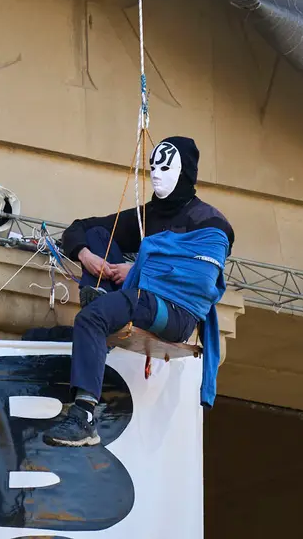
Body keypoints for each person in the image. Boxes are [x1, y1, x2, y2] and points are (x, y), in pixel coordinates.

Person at [39, 136, 235, 447]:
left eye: (165, 167)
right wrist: (87, 256)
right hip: (139, 298)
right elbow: (78, 228)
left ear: (184, 173)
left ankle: (84, 417)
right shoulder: (147, 216)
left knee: (91, 319)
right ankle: (100, 305)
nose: (156, 173)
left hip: (174, 312)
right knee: (99, 234)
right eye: (153, 166)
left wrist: (141, 268)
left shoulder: (209, 222)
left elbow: (198, 280)